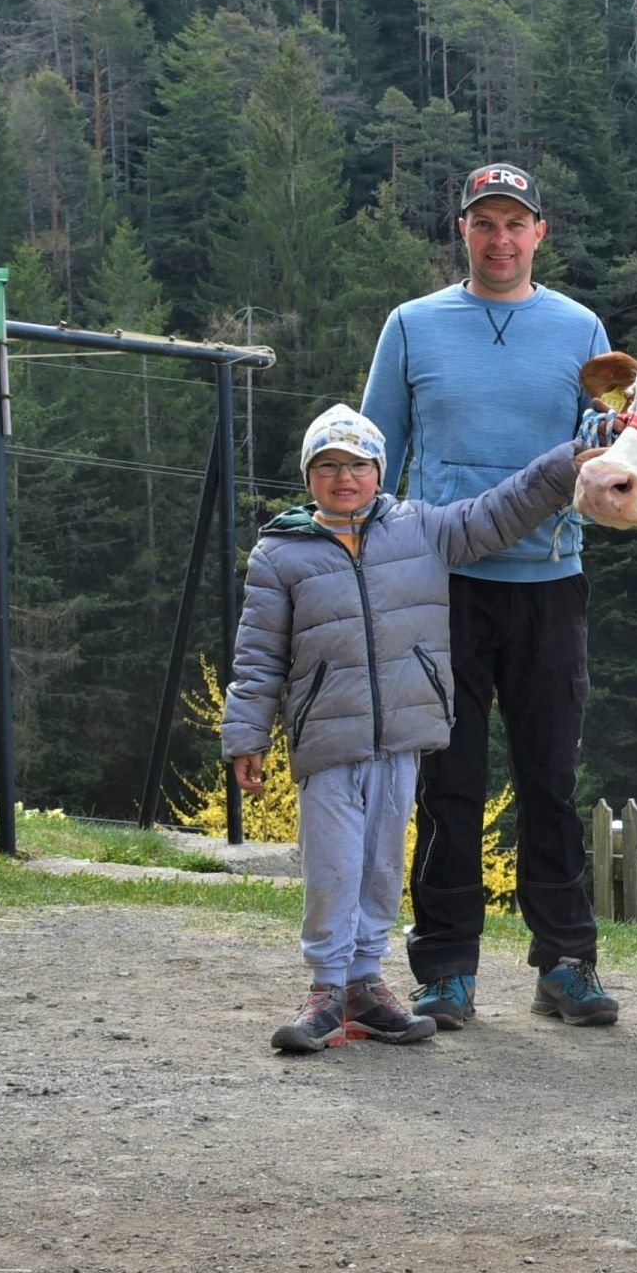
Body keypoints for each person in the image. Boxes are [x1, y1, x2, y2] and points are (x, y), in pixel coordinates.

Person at [223, 404, 592, 1053]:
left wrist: (564, 466)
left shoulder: (421, 529)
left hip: (402, 739)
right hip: (328, 744)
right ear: (309, 476)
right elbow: (256, 657)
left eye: (358, 465)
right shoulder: (279, 554)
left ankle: (366, 987)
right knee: (333, 867)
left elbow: (500, 511)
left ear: (379, 472)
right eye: (328, 465)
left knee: (381, 868)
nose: (344, 478)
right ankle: (325, 988)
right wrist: (246, 736)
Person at [360, 161, 620, 1032]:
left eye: (516, 224)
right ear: (462, 232)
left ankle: (566, 964)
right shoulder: (410, 327)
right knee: (449, 782)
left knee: (550, 780)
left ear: (540, 233)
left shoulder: (582, 329)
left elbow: (605, 450)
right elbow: (373, 463)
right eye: (485, 224)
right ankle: (443, 972)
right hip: (443, 590)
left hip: (552, 586)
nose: (500, 239)